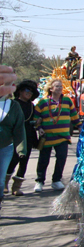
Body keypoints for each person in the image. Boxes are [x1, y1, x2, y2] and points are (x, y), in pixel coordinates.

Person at [33, 78, 78, 192]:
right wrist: (39, 128)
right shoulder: (42, 102)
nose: (59, 88)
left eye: (61, 86)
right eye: (57, 86)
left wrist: (81, 127)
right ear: (51, 89)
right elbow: (35, 118)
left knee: (61, 158)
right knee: (43, 160)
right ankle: (39, 181)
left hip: (62, 136)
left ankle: (56, 180)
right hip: (47, 137)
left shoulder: (67, 101)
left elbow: (74, 117)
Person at [5, 80, 38, 196]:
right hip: (15, 135)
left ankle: (16, 187)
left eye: (32, 92)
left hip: (28, 135)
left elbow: (34, 119)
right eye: (27, 90)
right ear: (20, 91)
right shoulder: (13, 103)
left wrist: (37, 123)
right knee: (13, 159)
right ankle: (4, 184)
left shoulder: (31, 106)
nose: (29, 93)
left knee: (24, 161)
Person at [0, 84, 26, 212]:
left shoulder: (14, 106)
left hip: (5, 147)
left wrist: (21, 149)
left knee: (0, 180)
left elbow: (19, 129)